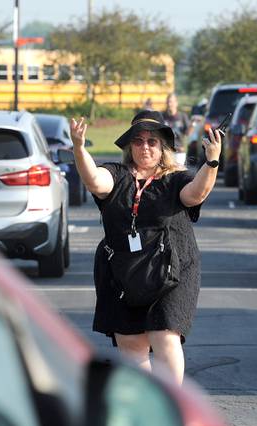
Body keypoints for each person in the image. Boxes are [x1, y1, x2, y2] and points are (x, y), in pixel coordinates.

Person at [69, 110, 222, 385]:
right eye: (138, 141)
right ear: (130, 146)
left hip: (172, 271)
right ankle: (146, 408)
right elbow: (95, 180)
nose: (145, 147)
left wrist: (211, 162)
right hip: (123, 272)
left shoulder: (175, 179)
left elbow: (195, 194)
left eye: (152, 141)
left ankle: (171, 408)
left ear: (162, 147)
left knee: (164, 335)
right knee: (131, 343)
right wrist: (79, 149)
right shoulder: (117, 174)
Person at [162, 93, 191, 166]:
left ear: (176, 103)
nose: (170, 104)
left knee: (178, 174)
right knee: (166, 175)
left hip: (179, 151)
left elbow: (188, 133)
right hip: (166, 151)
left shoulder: (182, 116)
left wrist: (193, 124)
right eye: (168, 101)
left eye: (172, 101)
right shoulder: (162, 116)